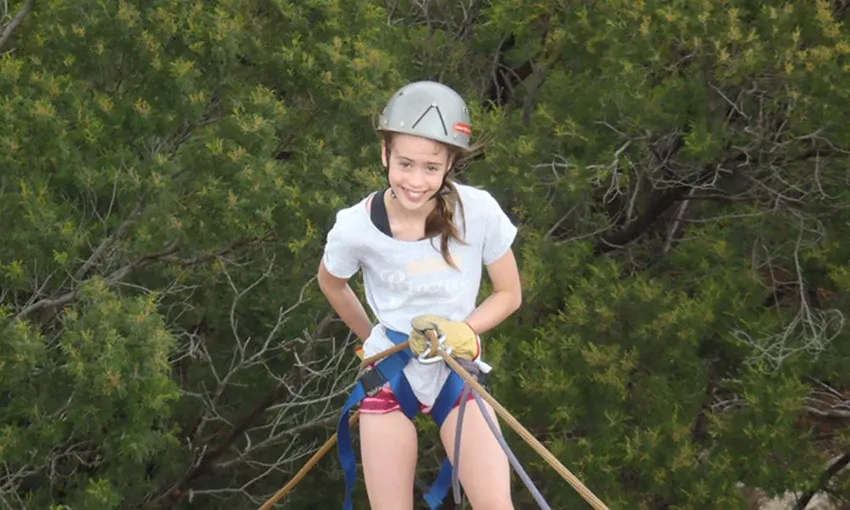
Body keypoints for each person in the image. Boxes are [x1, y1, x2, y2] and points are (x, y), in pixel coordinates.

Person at [318, 80, 522, 510]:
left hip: (455, 365)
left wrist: (464, 330)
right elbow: (331, 282)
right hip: (392, 369)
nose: (415, 180)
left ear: (450, 164)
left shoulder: (478, 212)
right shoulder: (355, 227)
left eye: (431, 167)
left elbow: (509, 293)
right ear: (385, 154)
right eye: (405, 164)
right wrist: (370, 340)